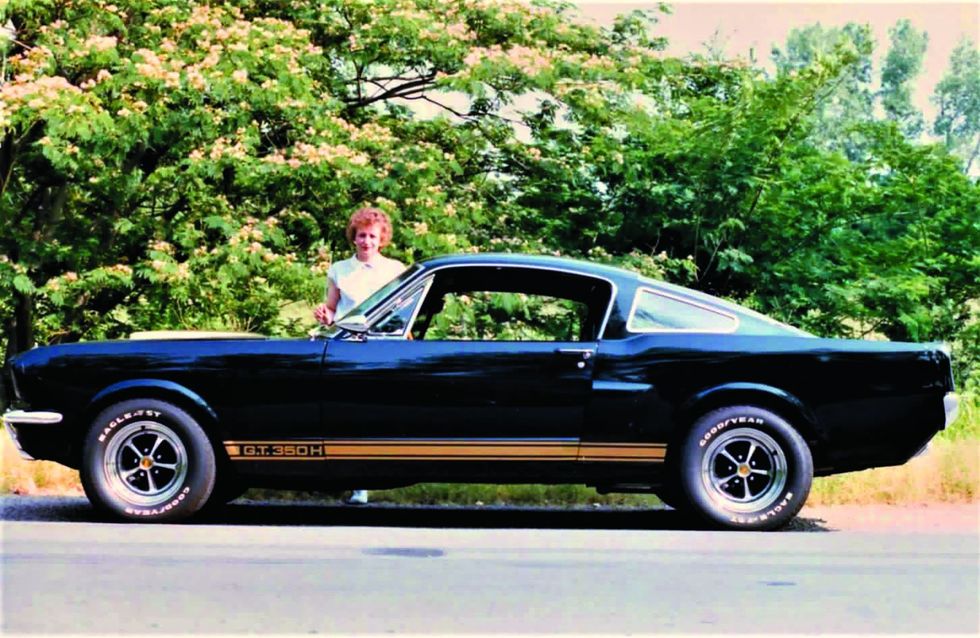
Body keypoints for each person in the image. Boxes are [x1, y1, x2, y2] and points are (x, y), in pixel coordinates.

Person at [314, 207, 406, 505]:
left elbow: (404, 310)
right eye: (361, 235)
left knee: (380, 415)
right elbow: (331, 307)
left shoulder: (395, 269)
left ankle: (383, 474)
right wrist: (323, 314)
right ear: (354, 237)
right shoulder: (340, 269)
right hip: (347, 349)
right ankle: (357, 484)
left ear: (382, 240)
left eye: (372, 236)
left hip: (383, 348)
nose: (366, 241)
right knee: (350, 415)